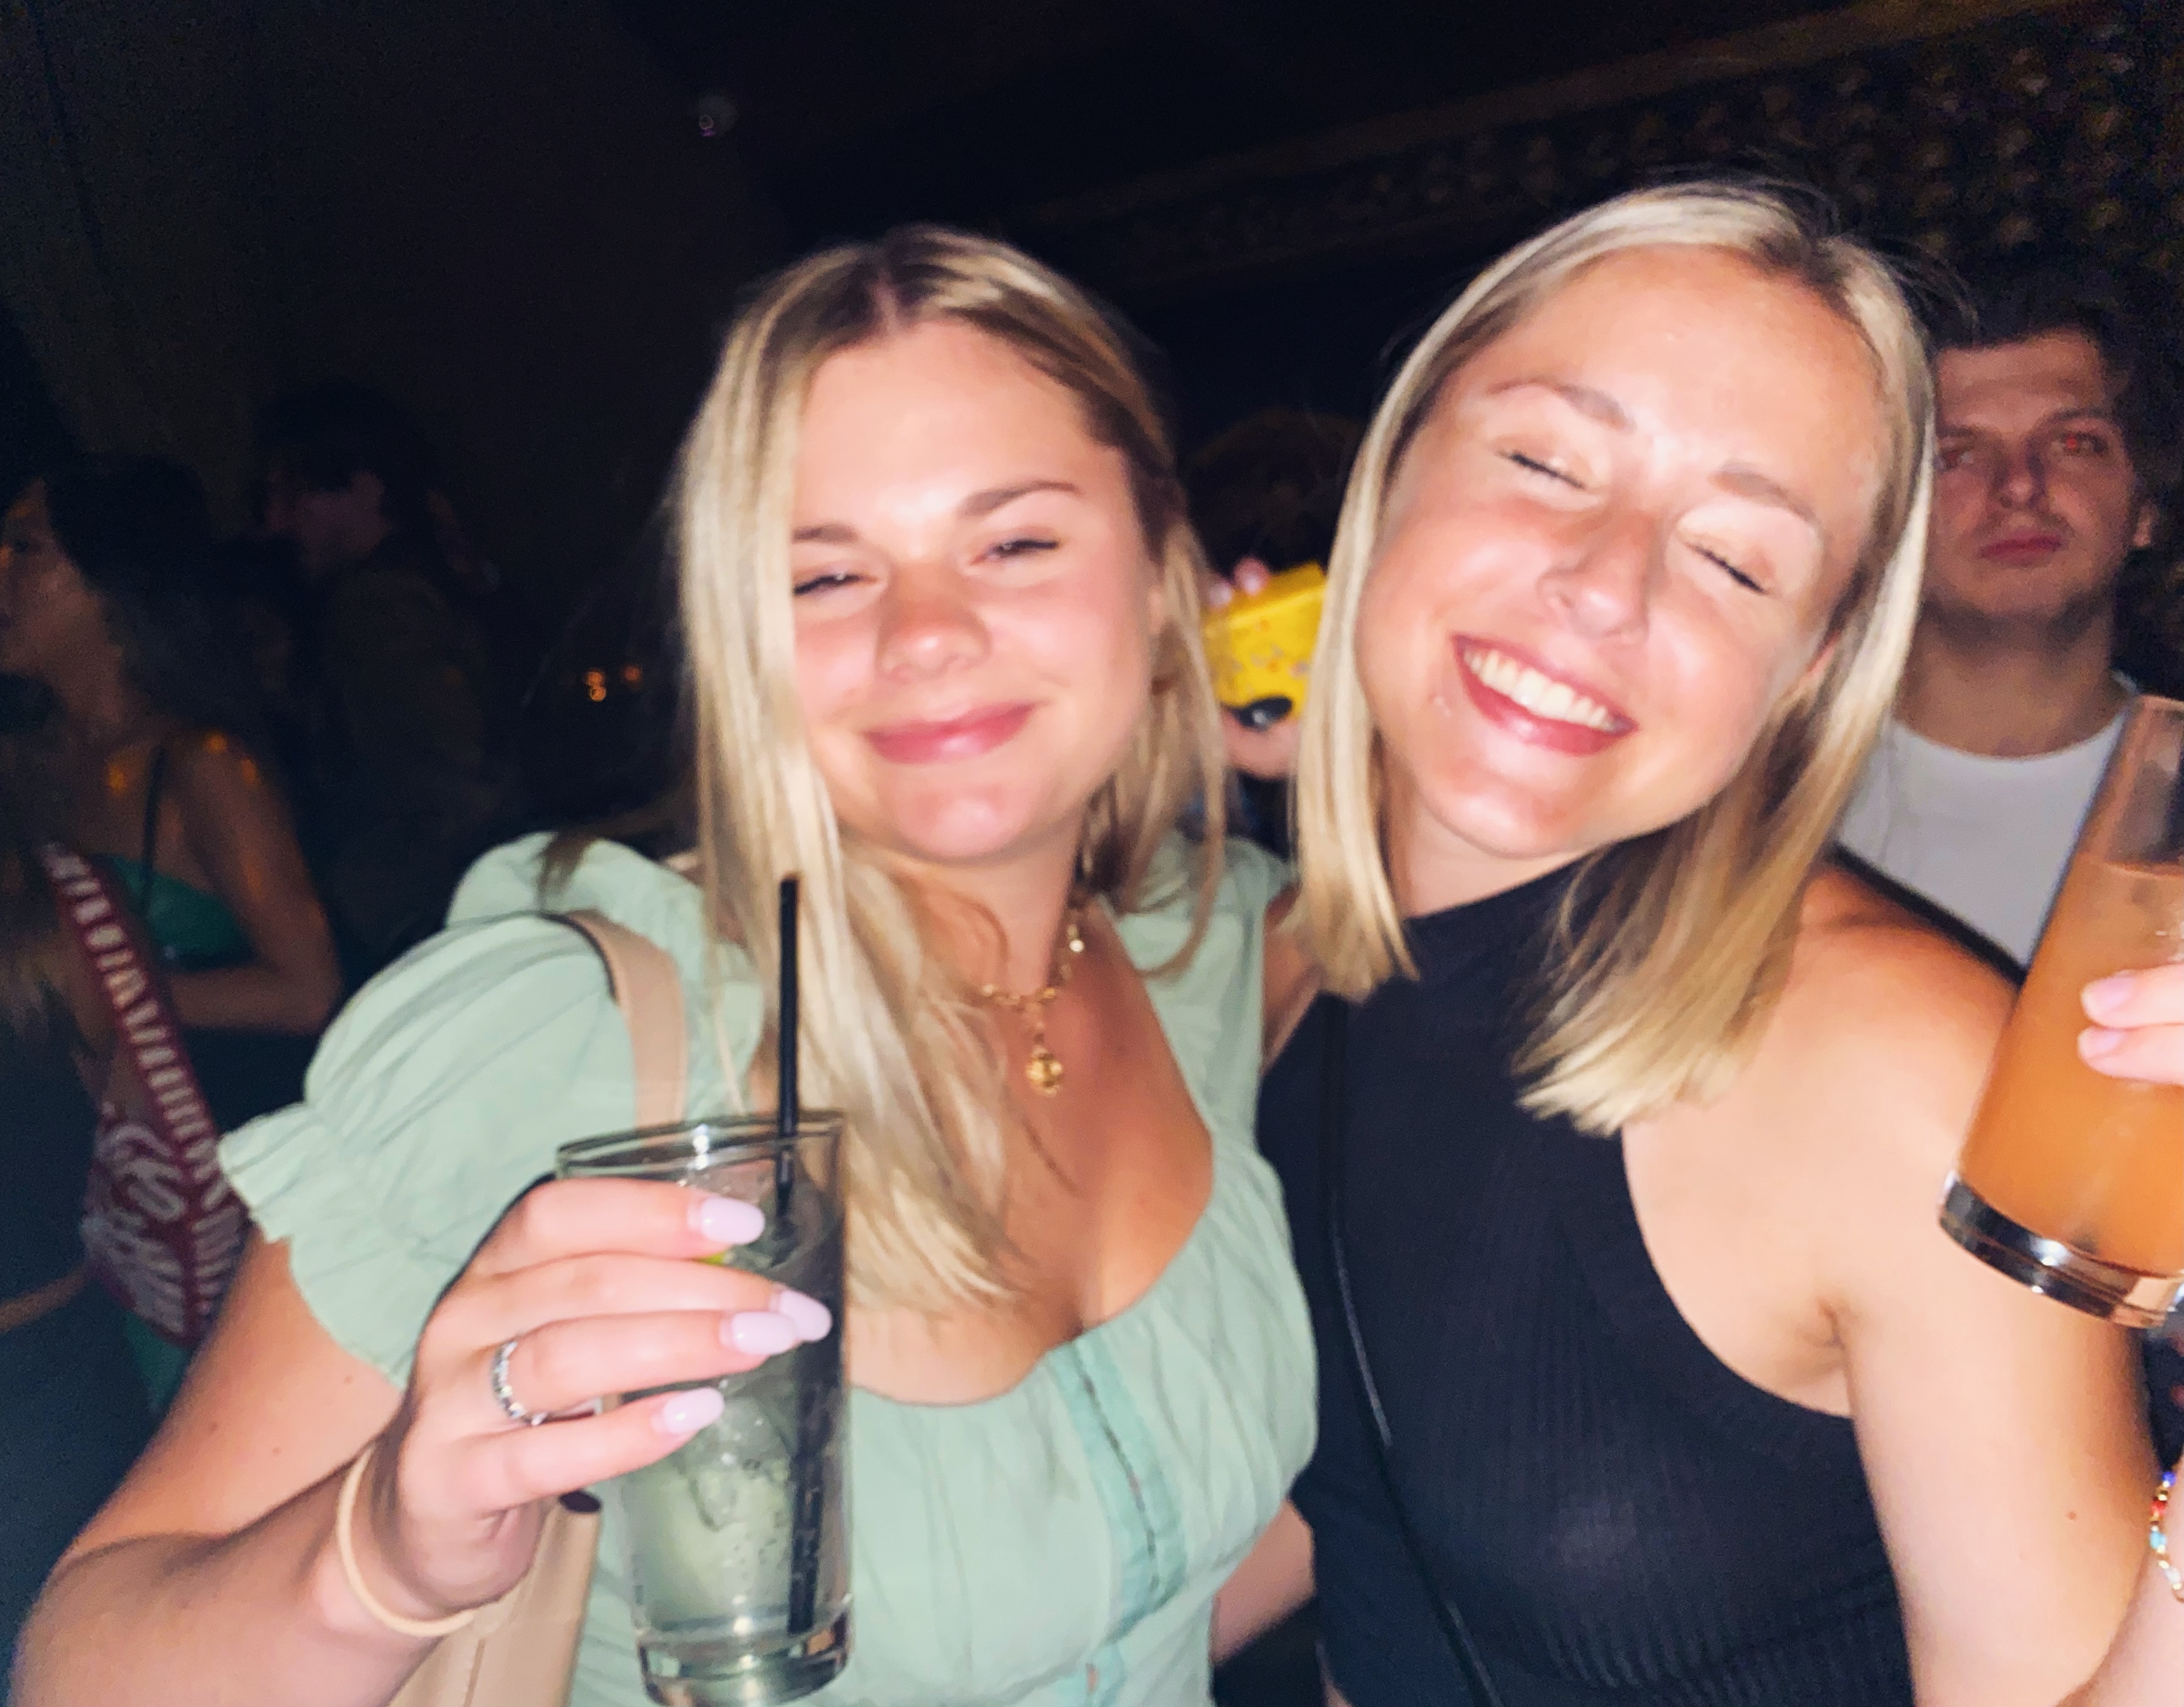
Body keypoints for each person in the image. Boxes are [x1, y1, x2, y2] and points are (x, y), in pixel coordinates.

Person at [16, 227, 1313, 1707]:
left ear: (1162, 576)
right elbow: (82, 1670)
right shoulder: (569, 1032)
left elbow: (1159, 1592)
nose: (925, 634)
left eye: (1014, 543)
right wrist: (378, 1552)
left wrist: (1339, 723)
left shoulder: (1209, 947)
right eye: (826, 574)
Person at [1216, 184, 2164, 1705]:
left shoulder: (1897, 1069)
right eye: (1543, 462)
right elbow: (1359, 1493)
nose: (1603, 584)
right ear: (1391, 472)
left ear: (1808, 670)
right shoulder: (1278, 963)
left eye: (1735, 558)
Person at [0, 457, 342, 1409]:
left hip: (213, 1177)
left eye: (26, 548)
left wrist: (99, 991)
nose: (1, 575)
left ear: (112, 578)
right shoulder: (24, 765)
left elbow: (309, 988)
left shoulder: (201, 762)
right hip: (85, 1185)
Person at [1838, 256, 2183, 968]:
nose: (2019, 486)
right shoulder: (1752, 776)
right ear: (1883, 514)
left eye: (2073, 443)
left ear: (2145, 506)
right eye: (1955, 455)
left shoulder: (2170, 797)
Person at [255, 381, 521, 972]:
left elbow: (446, 783)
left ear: (366, 487)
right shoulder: (448, 577)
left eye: (294, 496)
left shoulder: (375, 605)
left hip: (430, 923)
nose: (275, 522)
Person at [0, 748, 153, 1686]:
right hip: (67, 1375)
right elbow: (123, 1116)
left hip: (56, 1391)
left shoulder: (57, 913)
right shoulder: (59, 911)